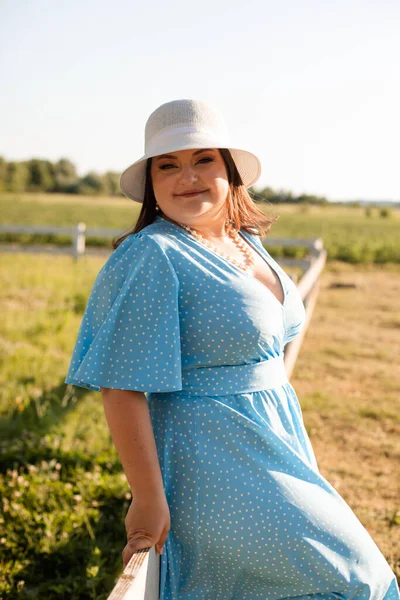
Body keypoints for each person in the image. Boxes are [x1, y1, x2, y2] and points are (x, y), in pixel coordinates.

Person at [65, 99, 399, 600]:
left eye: (203, 160)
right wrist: (149, 499)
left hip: (277, 441)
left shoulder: (246, 241)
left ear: (230, 170)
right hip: (213, 458)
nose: (187, 177)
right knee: (359, 581)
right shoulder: (154, 253)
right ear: (152, 184)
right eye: (168, 165)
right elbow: (120, 385)